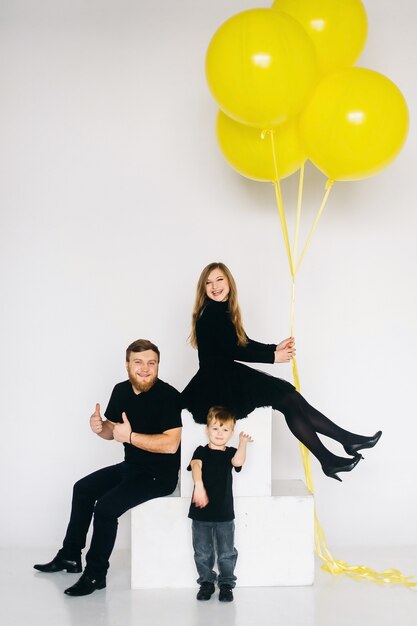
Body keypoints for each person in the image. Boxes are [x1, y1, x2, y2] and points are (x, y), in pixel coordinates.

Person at [181, 262, 382, 482]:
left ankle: (339, 448)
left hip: (225, 375)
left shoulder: (222, 311)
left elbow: (242, 342)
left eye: (219, 279)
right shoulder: (211, 313)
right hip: (216, 383)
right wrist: (273, 358)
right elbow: (232, 350)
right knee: (287, 398)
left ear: (229, 282)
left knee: (289, 397)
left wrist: (273, 348)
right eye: (208, 282)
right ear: (203, 289)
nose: (215, 286)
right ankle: (335, 451)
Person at [34, 339, 182, 596]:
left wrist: (132, 437)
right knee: (82, 489)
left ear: (158, 365)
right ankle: (70, 556)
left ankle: (95, 575)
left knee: (106, 508)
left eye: (151, 363)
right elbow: (113, 432)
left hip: (160, 476)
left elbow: (171, 444)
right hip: (132, 466)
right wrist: (100, 427)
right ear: (127, 365)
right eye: (138, 362)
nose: (145, 369)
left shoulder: (169, 396)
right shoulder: (121, 391)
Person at [188, 406, 252, 603]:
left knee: (226, 552)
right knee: (202, 552)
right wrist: (198, 485)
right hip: (201, 514)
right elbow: (196, 466)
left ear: (231, 433)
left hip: (224, 514)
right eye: (215, 428)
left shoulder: (230, 453)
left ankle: (226, 584)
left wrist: (242, 443)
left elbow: (238, 461)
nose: (219, 434)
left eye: (225, 430)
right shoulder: (201, 451)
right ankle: (206, 582)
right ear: (207, 429)